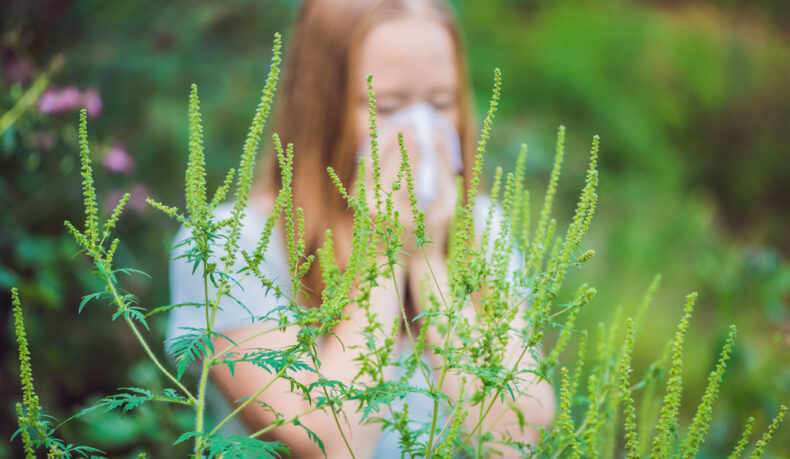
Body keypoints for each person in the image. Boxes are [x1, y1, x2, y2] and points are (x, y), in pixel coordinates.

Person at [168, 0, 555, 457]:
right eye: (387, 106)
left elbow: (513, 440)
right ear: (320, 108)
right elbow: (330, 443)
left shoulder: (483, 228)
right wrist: (384, 252)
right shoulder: (230, 246)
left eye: (441, 102)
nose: (420, 130)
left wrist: (429, 257)